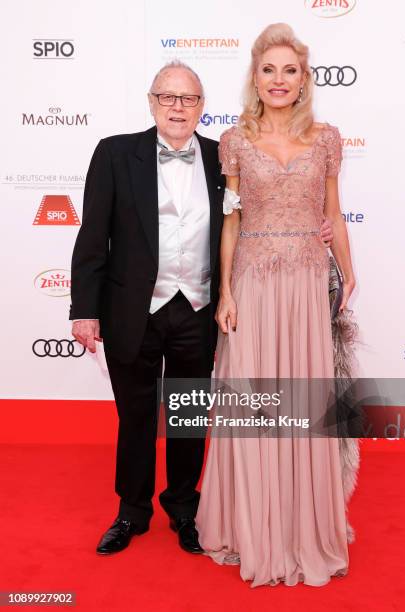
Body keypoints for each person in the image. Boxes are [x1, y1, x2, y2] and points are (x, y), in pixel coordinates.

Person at [70, 60, 333, 557]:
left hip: (198, 307)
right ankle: (132, 512)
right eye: (167, 97)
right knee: (137, 417)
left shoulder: (224, 155)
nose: (177, 107)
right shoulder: (113, 153)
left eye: (188, 99)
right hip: (133, 308)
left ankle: (184, 509)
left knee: (189, 417)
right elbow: (92, 237)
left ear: (201, 106)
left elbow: (264, 211)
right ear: (151, 101)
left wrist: (314, 228)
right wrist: (85, 309)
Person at [196, 24, 357, 587]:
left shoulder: (328, 138)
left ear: (303, 78)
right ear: (255, 77)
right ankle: (252, 527)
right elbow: (232, 221)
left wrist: (348, 268)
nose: (279, 80)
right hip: (256, 283)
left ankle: (302, 528)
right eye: (269, 70)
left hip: (307, 284)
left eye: (290, 70)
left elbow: (334, 213)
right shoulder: (235, 141)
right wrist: (227, 291)